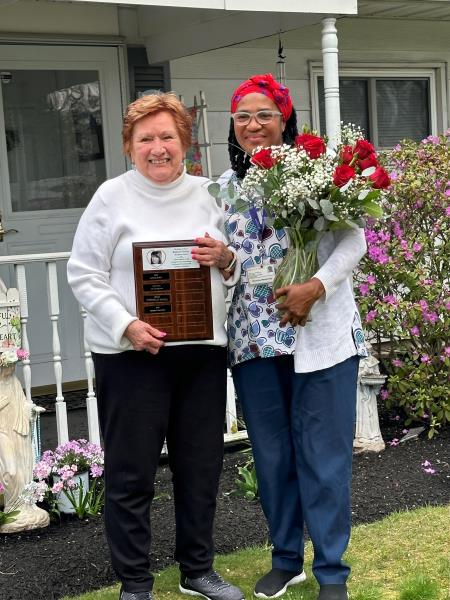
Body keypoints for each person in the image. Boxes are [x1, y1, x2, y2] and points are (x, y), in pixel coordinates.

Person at [67, 92, 243, 600]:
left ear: (184, 142)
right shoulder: (110, 197)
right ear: (130, 146)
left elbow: (238, 270)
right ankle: (136, 582)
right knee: (131, 472)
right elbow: (84, 273)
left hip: (201, 351)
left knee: (200, 466)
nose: (158, 148)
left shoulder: (210, 193)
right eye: (147, 139)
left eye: (168, 136)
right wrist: (126, 325)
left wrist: (226, 257)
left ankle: (197, 570)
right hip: (131, 355)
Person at [219, 74, 367, 600]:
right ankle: (286, 560)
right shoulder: (225, 189)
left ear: (285, 121)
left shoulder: (318, 174)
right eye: (243, 116)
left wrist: (316, 287)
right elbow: (230, 263)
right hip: (254, 340)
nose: (254, 125)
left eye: (264, 114)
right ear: (232, 127)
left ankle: (331, 571)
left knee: (324, 459)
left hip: (319, 336)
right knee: (273, 457)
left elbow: (355, 241)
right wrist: (226, 263)